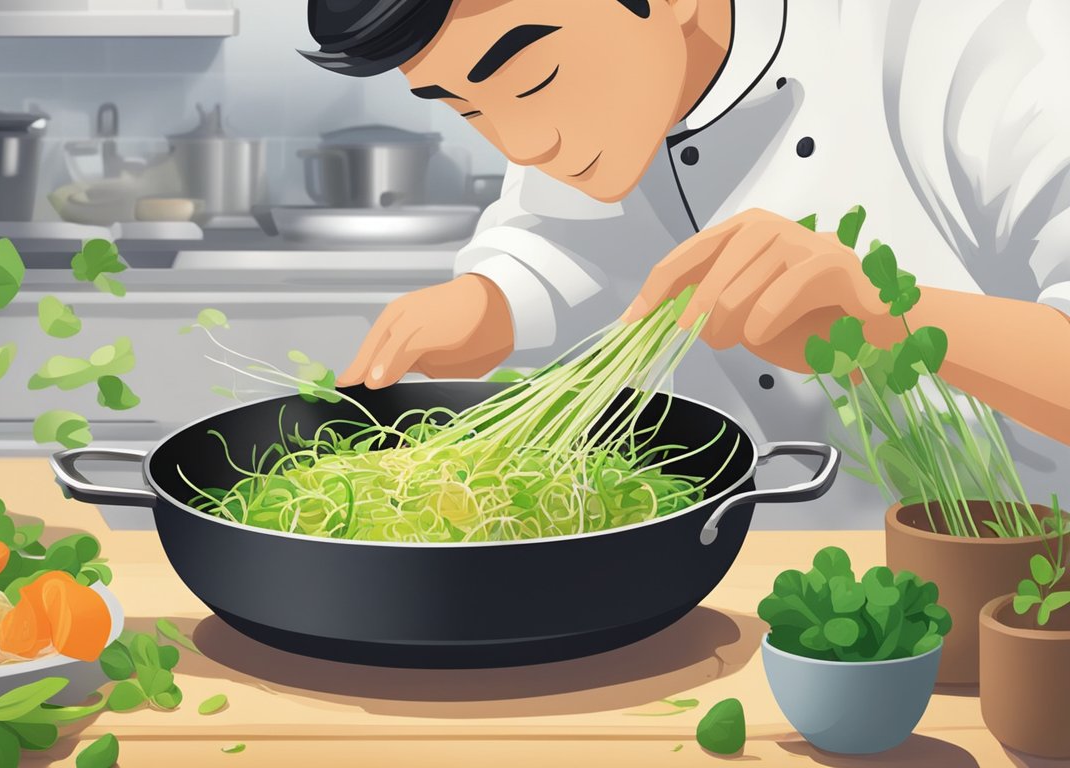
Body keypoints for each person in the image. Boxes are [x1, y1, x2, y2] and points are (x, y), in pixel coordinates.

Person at [300, 0, 1070, 520]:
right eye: (466, 107)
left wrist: (888, 314)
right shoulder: (598, 69)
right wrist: (489, 301)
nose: (523, 142)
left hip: (1034, 574)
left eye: (535, 79)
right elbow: (564, 234)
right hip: (806, 559)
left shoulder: (983, 39)